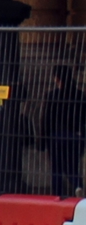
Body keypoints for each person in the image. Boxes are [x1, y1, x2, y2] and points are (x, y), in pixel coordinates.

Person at [44, 66, 86, 197]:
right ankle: (77, 184)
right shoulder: (80, 95)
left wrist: (43, 139)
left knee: (56, 169)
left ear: (57, 79)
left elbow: (46, 118)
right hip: (75, 135)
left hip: (56, 136)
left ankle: (58, 196)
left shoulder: (52, 96)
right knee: (72, 166)